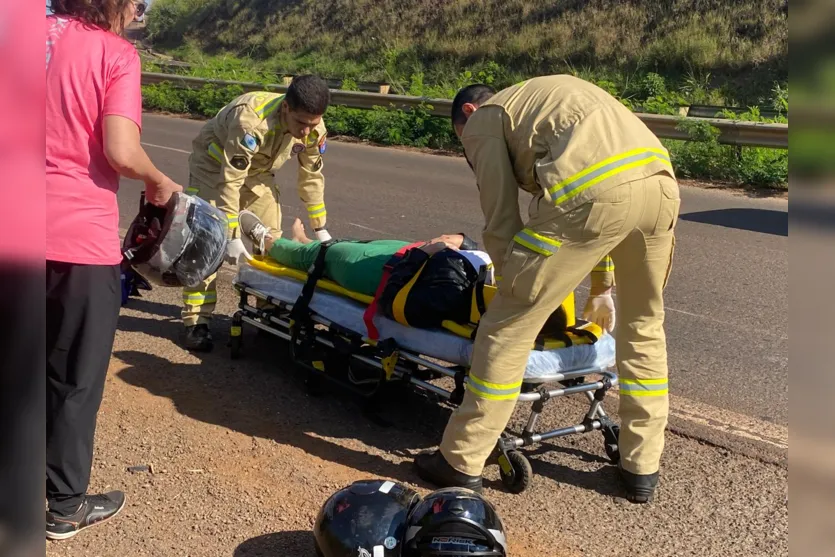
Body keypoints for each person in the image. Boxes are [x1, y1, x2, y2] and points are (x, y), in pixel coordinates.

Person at [413, 76, 680, 504]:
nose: (469, 154)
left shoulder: (485, 120)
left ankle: (461, 460)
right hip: (662, 186)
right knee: (645, 327)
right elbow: (613, 195)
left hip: (591, 196)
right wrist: (601, 287)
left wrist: (518, 290)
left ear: (468, 113)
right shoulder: (549, 99)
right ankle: (641, 467)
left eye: (463, 145)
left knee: (508, 326)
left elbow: (501, 221)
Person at [46, 0, 183, 541]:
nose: (136, 13)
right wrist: (157, 180)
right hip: (76, 241)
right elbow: (121, 151)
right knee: (72, 380)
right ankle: (63, 507)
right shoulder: (113, 54)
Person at [181, 76, 333, 352]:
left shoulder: (313, 126)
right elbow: (230, 182)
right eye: (301, 122)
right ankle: (197, 321)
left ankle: (268, 311)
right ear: (286, 108)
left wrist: (320, 227)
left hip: (258, 172)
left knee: (271, 240)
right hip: (215, 166)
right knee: (208, 243)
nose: (305, 131)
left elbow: (312, 175)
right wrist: (230, 235)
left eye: (312, 123)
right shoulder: (250, 121)